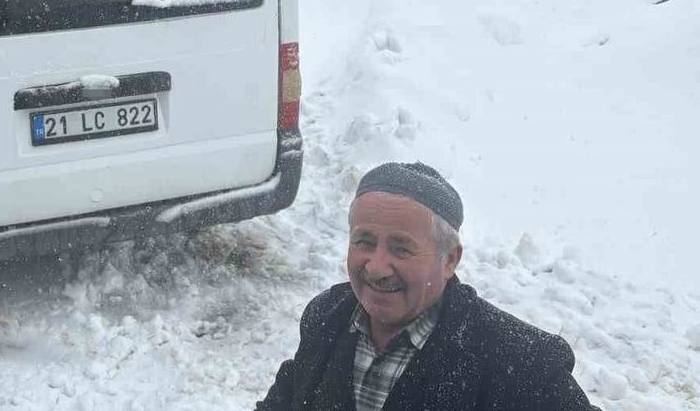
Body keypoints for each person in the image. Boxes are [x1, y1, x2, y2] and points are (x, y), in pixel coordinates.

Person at [255, 161, 600, 411]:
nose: (376, 267)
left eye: (401, 248)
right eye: (364, 241)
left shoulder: (521, 363)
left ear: (450, 259)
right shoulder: (327, 318)